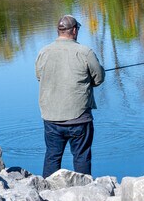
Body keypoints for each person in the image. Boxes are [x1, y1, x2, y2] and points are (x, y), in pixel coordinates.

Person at [35, 15, 105, 178]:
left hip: (51, 117)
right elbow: (99, 78)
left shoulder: (44, 52)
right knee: (81, 156)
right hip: (79, 118)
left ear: (59, 31)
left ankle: (47, 193)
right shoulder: (85, 52)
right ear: (74, 30)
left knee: (52, 155)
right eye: (78, 29)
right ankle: (85, 194)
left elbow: (39, 76)